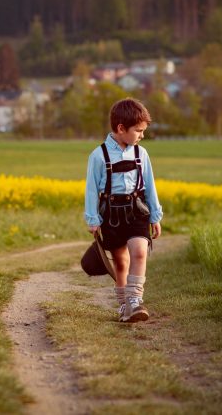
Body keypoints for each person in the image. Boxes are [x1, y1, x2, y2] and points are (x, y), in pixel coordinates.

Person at [84, 97, 163, 323]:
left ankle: (136, 301)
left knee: (139, 251)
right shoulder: (98, 156)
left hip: (137, 210)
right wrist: (93, 219)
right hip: (111, 214)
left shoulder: (141, 154)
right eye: (138, 131)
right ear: (121, 128)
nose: (142, 135)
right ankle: (124, 307)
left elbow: (150, 185)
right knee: (120, 262)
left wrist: (155, 216)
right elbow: (91, 189)